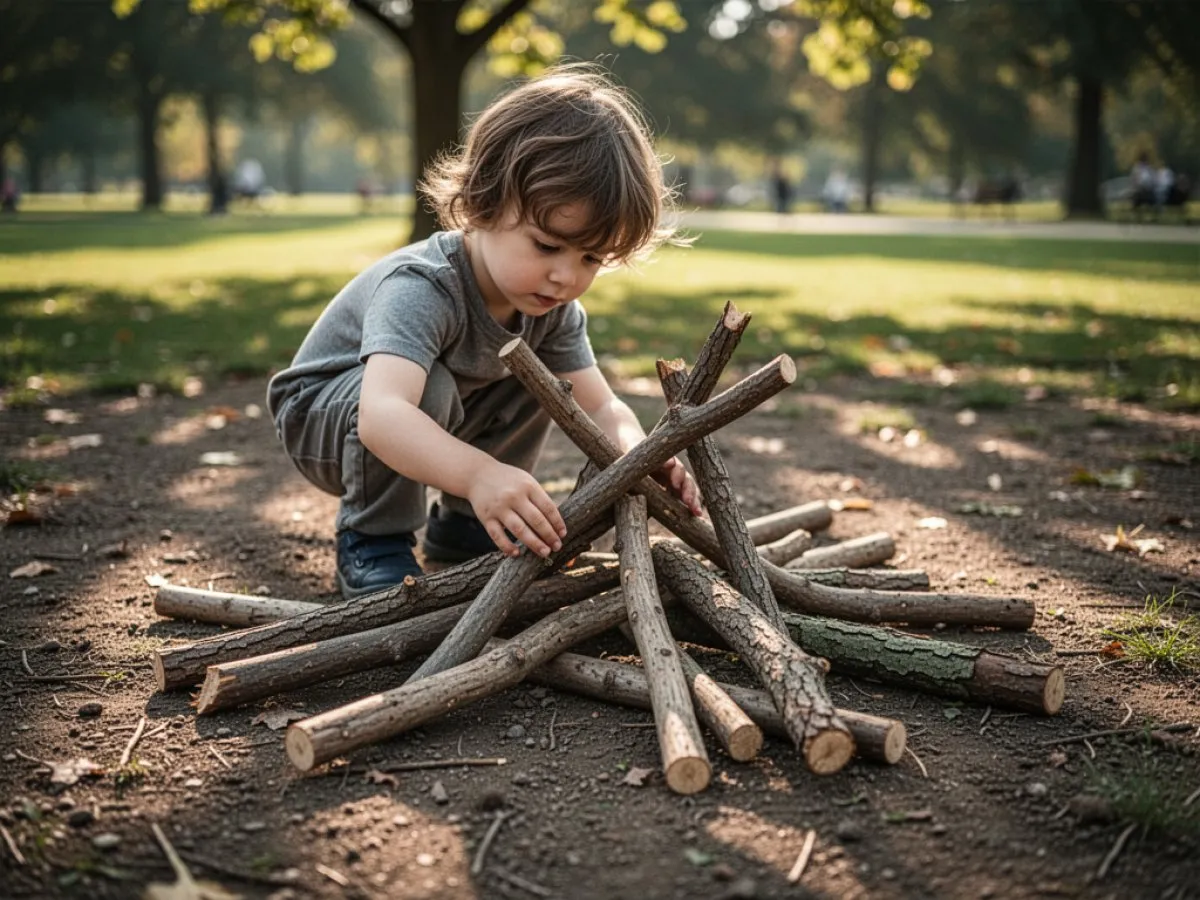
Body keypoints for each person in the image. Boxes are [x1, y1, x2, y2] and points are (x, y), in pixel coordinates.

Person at [266, 66, 703, 600]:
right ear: (482, 204)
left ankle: (465, 525)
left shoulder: (549, 308)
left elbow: (600, 406)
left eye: (591, 257)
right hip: (325, 423)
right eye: (546, 246)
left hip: (412, 421)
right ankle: (371, 536)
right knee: (430, 388)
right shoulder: (423, 287)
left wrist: (642, 452)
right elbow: (384, 416)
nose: (566, 276)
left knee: (545, 379)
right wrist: (479, 474)